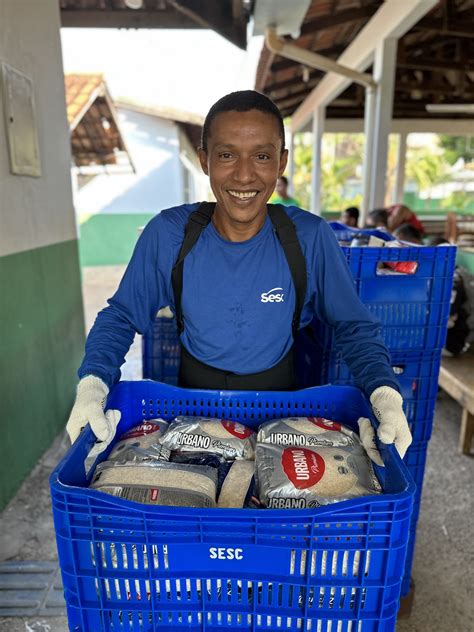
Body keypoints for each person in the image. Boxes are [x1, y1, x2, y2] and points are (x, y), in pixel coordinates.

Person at [66, 90, 411, 464]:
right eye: (227, 155)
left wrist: (384, 394)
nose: (244, 174)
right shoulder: (169, 235)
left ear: (281, 162)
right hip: (192, 410)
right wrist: (93, 384)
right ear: (205, 160)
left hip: (282, 412)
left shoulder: (309, 237)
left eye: (262, 156)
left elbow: (354, 326)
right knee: (198, 508)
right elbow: (120, 317)